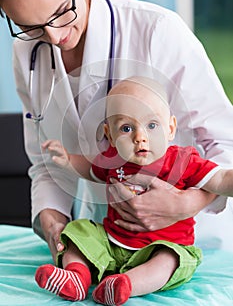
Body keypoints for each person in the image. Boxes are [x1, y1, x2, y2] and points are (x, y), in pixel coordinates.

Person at [0, 0, 233, 263]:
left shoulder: (157, 30)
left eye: (61, 13)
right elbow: (47, 160)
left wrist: (186, 203)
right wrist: (51, 216)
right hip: (110, 241)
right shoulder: (27, 52)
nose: (55, 37)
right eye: (29, 26)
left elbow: (224, 141)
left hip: (191, 240)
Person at [35, 76, 233, 304]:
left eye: (152, 125)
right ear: (110, 135)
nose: (140, 137)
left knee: (171, 260)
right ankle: (77, 278)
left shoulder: (182, 161)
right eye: (127, 128)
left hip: (160, 248)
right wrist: (68, 159)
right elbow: (90, 169)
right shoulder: (113, 159)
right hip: (111, 244)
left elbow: (220, 178)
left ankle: (124, 285)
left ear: (170, 129)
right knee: (77, 231)